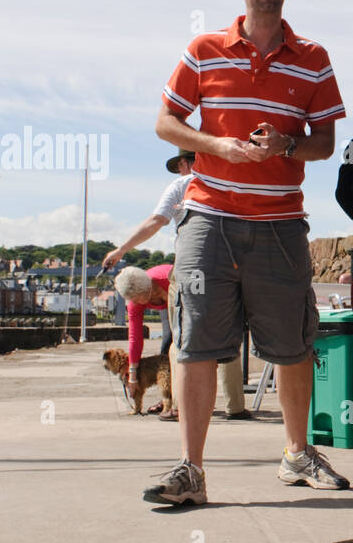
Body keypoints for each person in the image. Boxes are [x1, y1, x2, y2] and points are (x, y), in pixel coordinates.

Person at [145, 0, 348, 506]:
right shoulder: (204, 49)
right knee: (195, 342)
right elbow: (165, 122)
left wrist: (288, 144)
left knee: (292, 344)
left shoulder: (313, 57)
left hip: (282, 222)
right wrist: (216, 145)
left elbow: (326, 143)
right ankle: (191, 470)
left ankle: (297, 453)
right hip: (208, 217)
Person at [102, 149, 251, 420]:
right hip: (231, 265)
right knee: (229, 335)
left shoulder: (182, 185)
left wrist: (121, 250)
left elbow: (156, 222)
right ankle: (235, 407)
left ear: (185, 163)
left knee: (181, 340)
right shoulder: (229, 180)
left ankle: (182, 406)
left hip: (192, 268)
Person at [113, 263, 177, 418]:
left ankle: (183, 395)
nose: (135, 302)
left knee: (179, 340)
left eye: (137, 299)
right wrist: (132, 376)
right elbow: (135, 338)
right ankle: (168, 399)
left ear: (148, 290)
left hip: (178, 295)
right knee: (167, 344)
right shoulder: (134, 302)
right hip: (164, 303)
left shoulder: (167, 280)